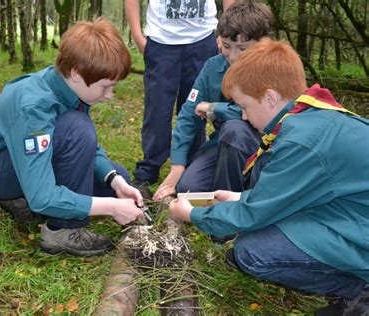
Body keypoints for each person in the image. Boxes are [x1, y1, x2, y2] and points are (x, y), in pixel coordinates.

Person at [169, 39, 369, 314]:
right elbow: (290, 191)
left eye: (245, 106)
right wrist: (240, 197)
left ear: (270, 97)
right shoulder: (310, 118)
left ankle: (359, 291)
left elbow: (250, 217)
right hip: (352, 213)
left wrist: (191, 215)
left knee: (253, 252)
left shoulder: (302, 141)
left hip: (360, 228)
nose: (244, 116)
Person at [0, 18, 145, 257]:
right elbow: (43, 195)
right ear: (77, 73)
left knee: (118, 178)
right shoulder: (34, 108)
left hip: (33, 156)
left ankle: (22, 200)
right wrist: (112, 208)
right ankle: (62, 231)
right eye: (105, 86)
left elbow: (86, 148)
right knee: (78, 130)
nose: (109, 95)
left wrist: (114, 180)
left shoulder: (70, 86)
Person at [154, 0, 274, 200]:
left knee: (235, 129)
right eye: (227, 46)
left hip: (263, 147)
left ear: (262, 44)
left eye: (242, 48)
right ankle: (229, 190)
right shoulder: (213, 67)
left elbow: (259, 115)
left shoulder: (272, 69)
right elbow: (188, 113)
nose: (233, 56)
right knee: (188, 188)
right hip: (223, 145)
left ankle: (232, 205)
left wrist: (215, 108)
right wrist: (177, 166)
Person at [125, 0, 235, 188]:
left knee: (195, 107)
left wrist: (227, 31)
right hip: (161, 41)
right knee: (157, 109)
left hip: (202, 39)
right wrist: (137, 35)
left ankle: (191, 163)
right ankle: (148, 170)